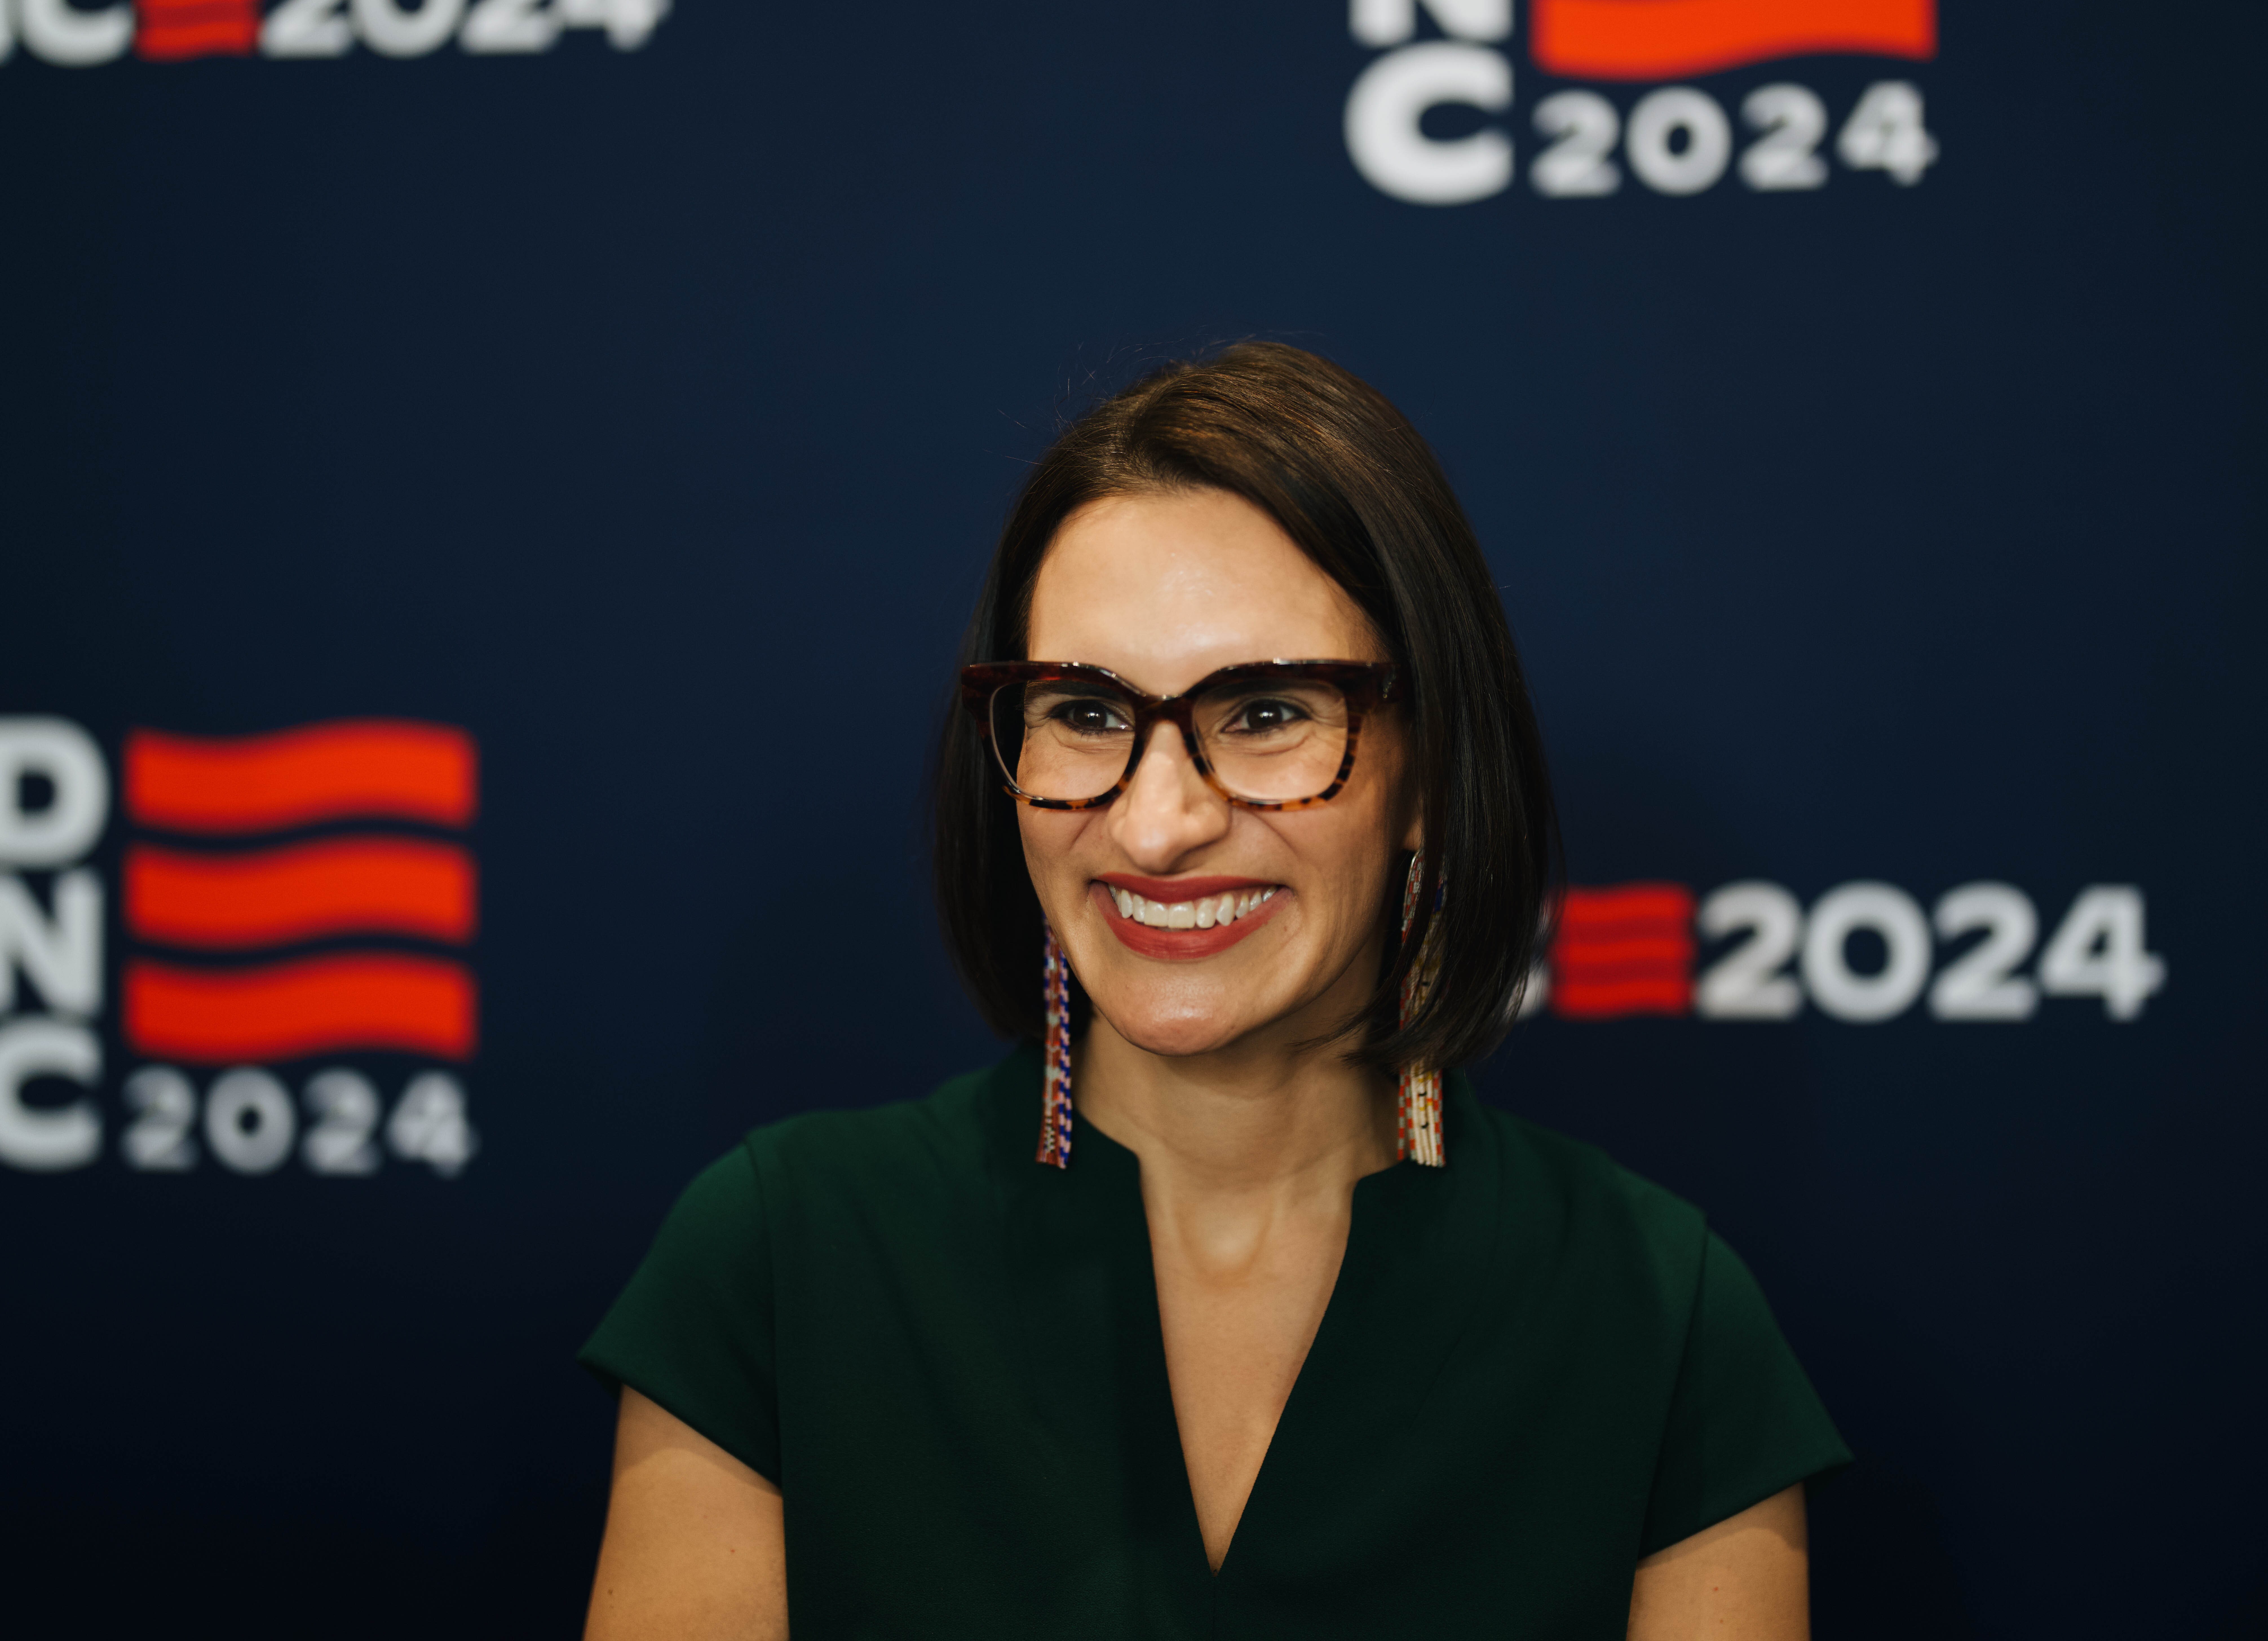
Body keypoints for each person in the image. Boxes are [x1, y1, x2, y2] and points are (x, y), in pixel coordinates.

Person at [578, 343, 1849, 1639]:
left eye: (1267, 713)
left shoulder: (1657, 1314)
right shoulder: (780, 1261)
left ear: (1432, 770)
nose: (1157, 825)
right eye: (1084, 713)